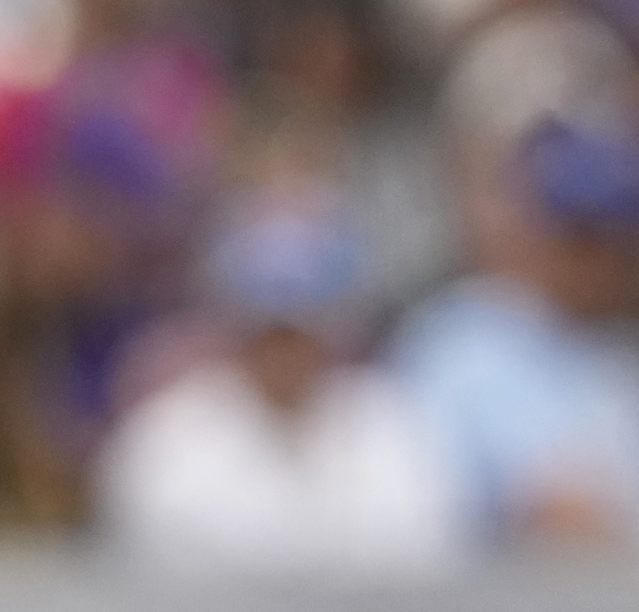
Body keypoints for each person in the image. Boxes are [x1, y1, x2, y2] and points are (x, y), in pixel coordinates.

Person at [94, 201, 467, 580]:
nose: (285, 354)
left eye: (302, 333)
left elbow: (420, 558)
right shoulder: (165, 439)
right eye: (268, 334)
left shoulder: (393, 425)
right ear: (232, 329)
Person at [388, 120, 639, 556]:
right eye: (585, 240)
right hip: (477, 610)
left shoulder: (637, 357)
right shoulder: (458, 340)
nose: (606, 265)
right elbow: (419, 516)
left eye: (625, 246)